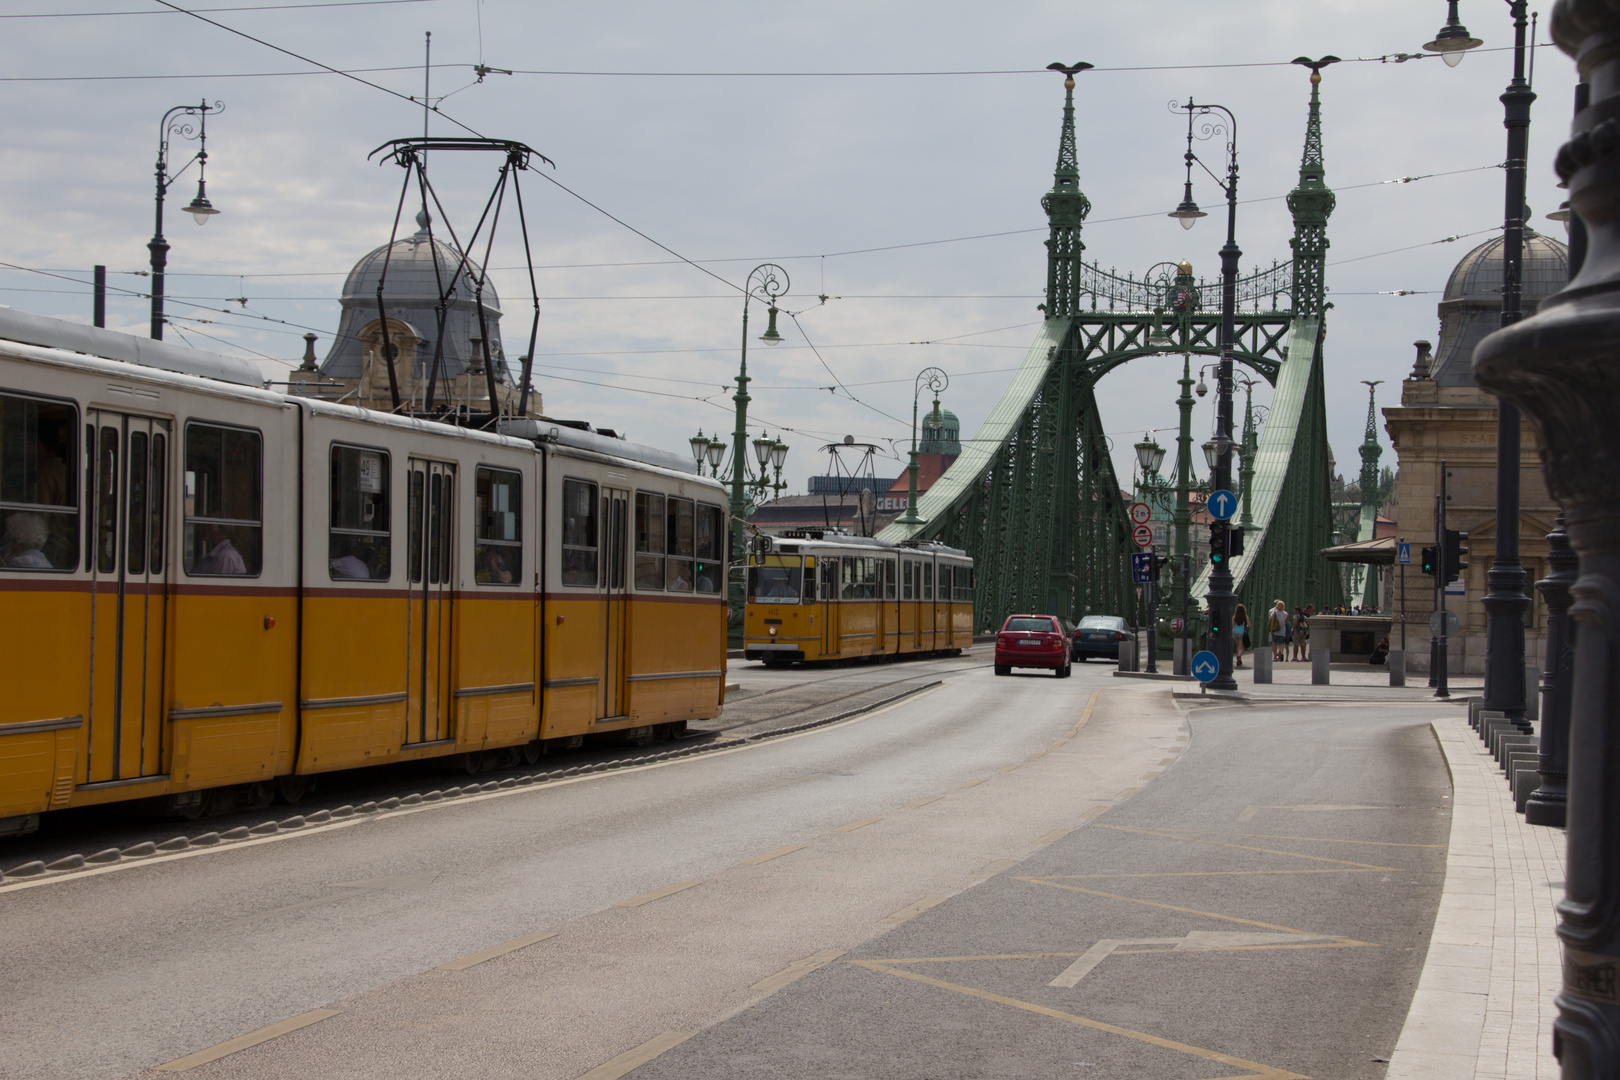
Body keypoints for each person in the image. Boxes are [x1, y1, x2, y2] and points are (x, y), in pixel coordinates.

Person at [1232, 603, 1248, 667]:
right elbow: (1249, 625)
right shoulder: (1245, 617)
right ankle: (1238, 656)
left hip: (1235, 632)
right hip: (1241, 633)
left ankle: (1240, 660)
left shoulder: (1234, 617)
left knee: (1238, 646)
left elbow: (1232, 626)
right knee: (1242, 648)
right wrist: (1246, 625)